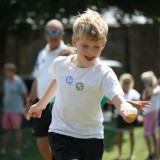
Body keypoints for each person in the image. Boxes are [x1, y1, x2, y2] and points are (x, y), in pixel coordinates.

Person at [27, 9, 146, 160]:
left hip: (93, 137)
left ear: (103, 44)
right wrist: (40, 104)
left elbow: (117, 97)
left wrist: (125, 108)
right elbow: (57, 82)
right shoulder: (60, 64)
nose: (91, 52)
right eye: (85, 46)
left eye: (96, 46)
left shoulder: (104, 73)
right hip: (62, 132)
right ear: (75, 41)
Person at [24, 19, 67, 160]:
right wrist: (30, 101)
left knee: (61, 143)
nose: (53, 35)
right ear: (45, 34)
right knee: (42, 141)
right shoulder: (42, 53)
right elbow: (37, 79)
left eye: (56, 32)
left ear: (62, 34)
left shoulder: (68, 53)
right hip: (41, 104)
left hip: (60, 105)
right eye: (50, 31)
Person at [0, 63, 27, 158]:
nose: (6, 73)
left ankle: (18, 151)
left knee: (17, 130)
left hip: (16, 110)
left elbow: (25, 95)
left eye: (8, 71)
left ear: (12, 71)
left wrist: (26, 107)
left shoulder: (19, 81)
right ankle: (4, 151)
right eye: (5, 72)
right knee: (6, 131)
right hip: (7, 110)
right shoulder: (5, 81)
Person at [116, 73, 140, 160]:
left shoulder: (134, 93)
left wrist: (140, 114)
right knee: (120, 135)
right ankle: (120, 154)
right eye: (125, 82)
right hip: (120, 116)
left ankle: (132, 154)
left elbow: (138, 105)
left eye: (129, 82)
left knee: (131, 134)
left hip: (132, 116)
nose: (127, 84)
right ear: (122, 82)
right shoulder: (119, 93)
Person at [141, 71, 160, 160]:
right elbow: (146, 97)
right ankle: (153, 153)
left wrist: (156, 85)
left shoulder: (157, 88)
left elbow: (151, 93)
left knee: (148, 134)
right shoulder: (148, 89)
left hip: (152, 113)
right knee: (151, 134)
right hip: (151, 113)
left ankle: (153, 153)